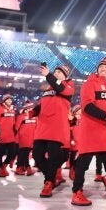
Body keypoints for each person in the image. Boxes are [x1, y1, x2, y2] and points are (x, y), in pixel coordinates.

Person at [72, 57, 106, 208]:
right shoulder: (90, 83)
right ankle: (76, 192)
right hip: (92, 132)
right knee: (83, 164)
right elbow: (87, 106)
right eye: (101, 67)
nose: (103, 69)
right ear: (97, 70)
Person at [32, 63, 75, 198]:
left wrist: (48, 75)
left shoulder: (68, 85)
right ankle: (51, 176)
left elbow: (60, 87)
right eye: (55, 72)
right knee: (37, 156)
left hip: (56, 128)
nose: (57, 73)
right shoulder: (48, 88)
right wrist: (33, 111)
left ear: (65, 76)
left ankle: (48, 183)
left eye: (59, 72)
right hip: (43, 127)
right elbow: (42, 104)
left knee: (52, 158)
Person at [0, 94, 17, 177]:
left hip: (10, 136)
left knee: (13, 152)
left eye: (11, 100)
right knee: (0, 153)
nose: (10, 101)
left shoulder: (12, 110)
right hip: (1, 135)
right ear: (4, 101)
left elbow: (13, 124)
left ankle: (4, 165)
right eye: (8, 100)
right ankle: (0, 169)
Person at [14, 100, 37, 176]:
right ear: (26, 109)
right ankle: (26, 168)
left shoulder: (35, 118)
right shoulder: (21, 117)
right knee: (24, 153)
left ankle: (21, 167)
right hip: (23, 137)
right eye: (31, 108)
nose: (32, 109)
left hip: (32, 137)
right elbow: (16, 128)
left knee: (24, 153)